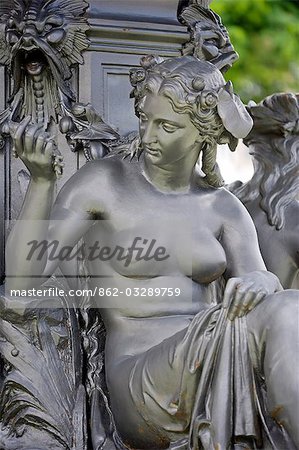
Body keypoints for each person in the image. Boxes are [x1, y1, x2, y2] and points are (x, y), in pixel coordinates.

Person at [5, 56, 299, 450]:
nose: (147, 136)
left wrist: (261, 281)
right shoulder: (104, 184)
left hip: (207, 356)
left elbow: (259, 285)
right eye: (145, 119)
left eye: (167, 126)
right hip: (141, 384)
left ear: (202, 132)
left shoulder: (224, 207)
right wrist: (42, 182)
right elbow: (24, 286)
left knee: (288, 307)